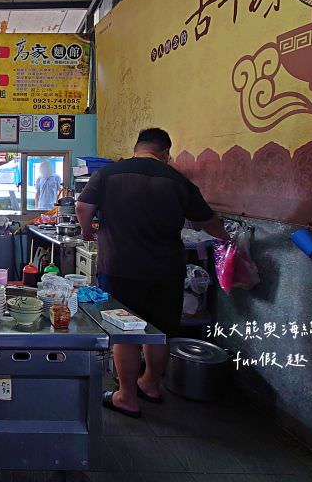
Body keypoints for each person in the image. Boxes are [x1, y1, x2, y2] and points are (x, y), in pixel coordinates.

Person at [76, 128, 228, 419]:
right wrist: (229, 243)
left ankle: (126, 396)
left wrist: (87, 230)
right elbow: (209, 221)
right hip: (165, 269)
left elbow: (83, 206)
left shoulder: (110, 173)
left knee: (125, 332)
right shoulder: (178, 180)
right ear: (165, 152)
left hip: (120, 267)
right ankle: (151, 385)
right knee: (159, 332)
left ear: (137, 148)